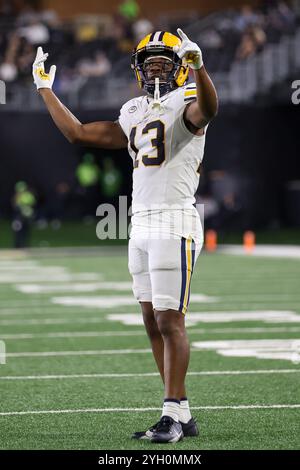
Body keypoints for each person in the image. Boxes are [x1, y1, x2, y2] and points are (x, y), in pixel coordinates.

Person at [32, 28, 218, 443]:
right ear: (136, 68)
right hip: (141, 223)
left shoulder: (188, 99)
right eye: (148, 60)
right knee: (152, 320)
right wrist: (45, 89)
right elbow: (79, 133)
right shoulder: (132, 110)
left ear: (181, 65)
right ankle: (181, 413)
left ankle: (170, 414)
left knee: (171, 321)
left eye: (164, 60)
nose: (155, 67)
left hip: (174, 219)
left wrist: (201, 68)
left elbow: (209, 109)